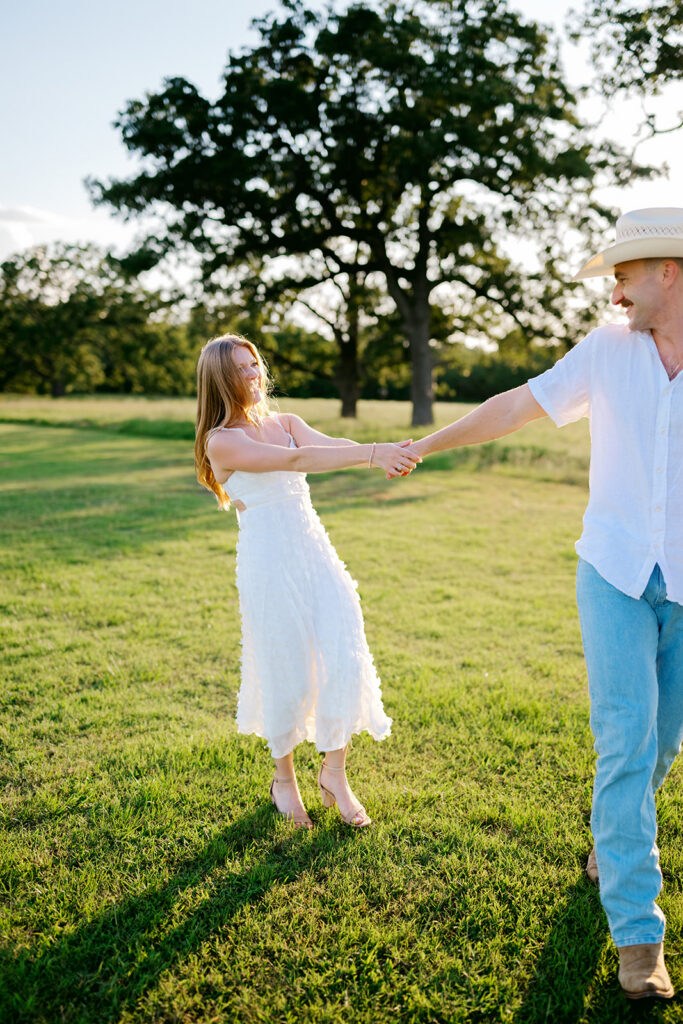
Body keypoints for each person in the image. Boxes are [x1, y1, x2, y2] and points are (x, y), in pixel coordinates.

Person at [404, 208, 683, 1001]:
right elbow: (513, 405)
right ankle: (637, 936)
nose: (614, 292)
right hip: (614, 572)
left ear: (667, 272)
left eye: (623, 276)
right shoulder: (604, 351)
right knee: (625, 739)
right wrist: (425, 445)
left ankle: (612, 834)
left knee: (661, 745)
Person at [194, 334, 420, 830]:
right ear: (220, 379)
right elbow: (297, 461)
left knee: (344, 651)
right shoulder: (222, 441)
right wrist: (374, 454)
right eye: (240, 368)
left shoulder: (287, 423)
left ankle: (335, 774)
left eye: (255, 364)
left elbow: (329, 447)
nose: (254, 374)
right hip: (269, 564)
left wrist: (389, 451)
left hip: (316, 554)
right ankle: (285, 782)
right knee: (286, 668)